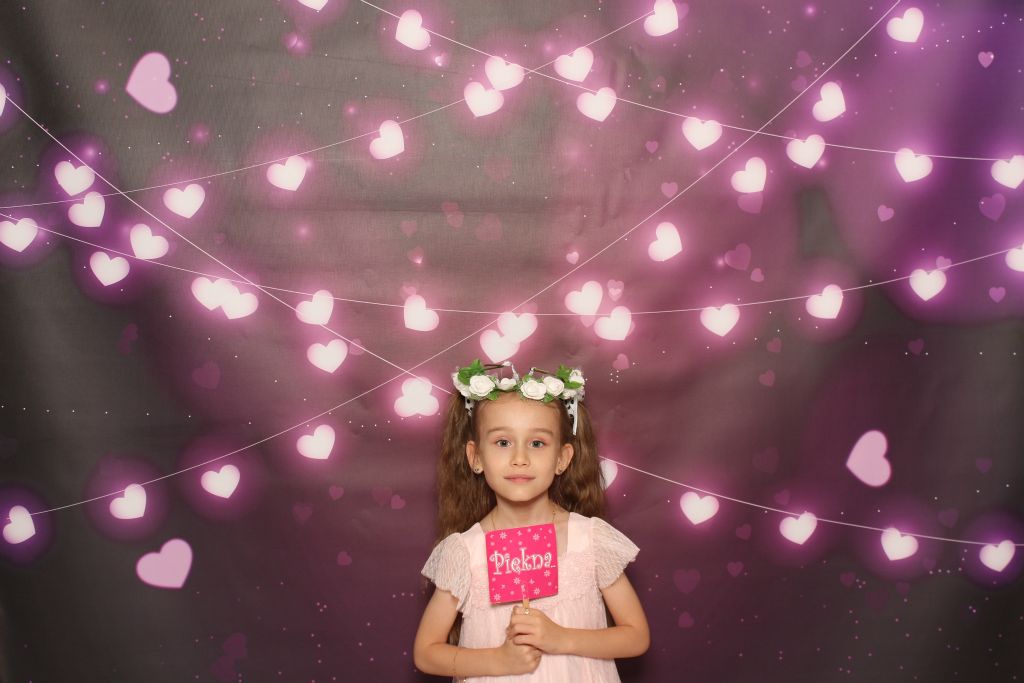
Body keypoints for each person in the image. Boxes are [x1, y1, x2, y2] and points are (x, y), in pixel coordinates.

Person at [413, 359, 650, 681]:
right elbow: (427, 653)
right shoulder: (466, 552)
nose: (520, 458)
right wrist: (500, 660)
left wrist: (561, 638)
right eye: (503, 442)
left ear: (562, 458)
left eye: (537, 443)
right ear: (475, 457)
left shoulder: (590, 539)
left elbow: (636, 636)